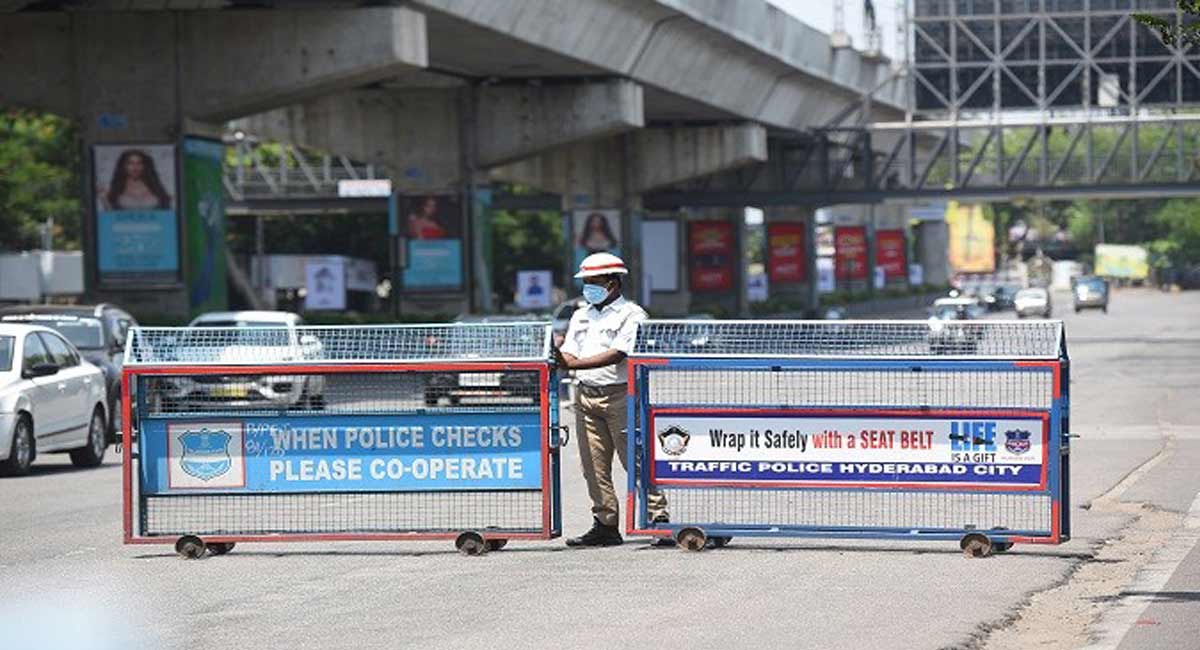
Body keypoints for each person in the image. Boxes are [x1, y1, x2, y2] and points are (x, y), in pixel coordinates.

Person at [555, 252, 669, 547]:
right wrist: (559, 357)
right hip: (585, 395)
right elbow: (570, 351)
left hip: (621, 395)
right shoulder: (581, 314)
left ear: (613, 283)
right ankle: (605, 523)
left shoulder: (632, 314)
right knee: (593, 466)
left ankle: (659, 518)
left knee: (636, 459)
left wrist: (572, 365)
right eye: (586, 282)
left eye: (593, 282)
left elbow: (618, 353)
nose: (588, 287)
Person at [98, 149, 172, 211]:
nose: (135, 167)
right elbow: (111, 217)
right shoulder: (116, 188)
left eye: (139, 163)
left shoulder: (155, 187)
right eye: (130, 163)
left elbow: (167, 211)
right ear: (123, 166)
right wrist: (104, 200)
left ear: (144, 166)